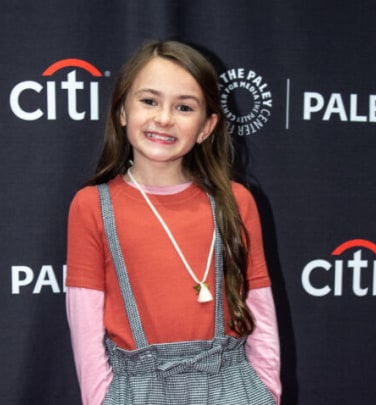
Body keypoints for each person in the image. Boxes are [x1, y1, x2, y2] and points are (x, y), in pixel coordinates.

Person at [65, 40, 281, 404]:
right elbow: (84, 324)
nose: (164, 118)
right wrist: (101, 399)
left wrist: (267, 391)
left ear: (206, 126)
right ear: (121, 111)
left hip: (232, 386)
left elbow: (259, 305)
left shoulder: (235, 201)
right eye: (149, 101)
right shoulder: (92, 206)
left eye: (183, 107)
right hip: (137, 390)